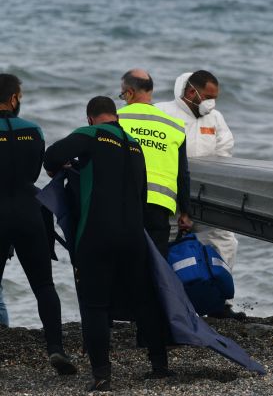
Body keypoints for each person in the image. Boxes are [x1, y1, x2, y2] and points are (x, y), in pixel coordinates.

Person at [44, 96, 172, 391]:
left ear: (90, 118)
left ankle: (102, 375)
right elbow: (142, 194)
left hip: (96, 234)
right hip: (133, 235)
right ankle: (159, 366)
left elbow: (50, 156)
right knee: (144, 300)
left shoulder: (90, 134)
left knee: (95, 304)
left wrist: (60, 167)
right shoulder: (134, 145)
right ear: (116, 116)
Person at [0, 73, 76, 374]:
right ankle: (56, 349)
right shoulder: (34, 130)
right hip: (30, 213)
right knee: (44, 285)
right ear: (15, 98)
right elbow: (38, 172)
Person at [155, 70, 244, 320]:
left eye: (214, 97)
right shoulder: (162, 112)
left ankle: (218, 301)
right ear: (190, 91)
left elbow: (225, 150)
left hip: (206, 195)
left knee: (224, 240)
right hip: (170, 194)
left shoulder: (215, 118)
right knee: (168, 246)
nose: (211, 102)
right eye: (207, 96)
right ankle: (168, 303)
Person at [117, 69, 193, 256]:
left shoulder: (116, 120)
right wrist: (185, 212)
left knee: (124, 263)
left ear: (129, 93)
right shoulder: (174, 126)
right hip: (160, 206)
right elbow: (182, 173)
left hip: (124, 201)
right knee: (155, 265)